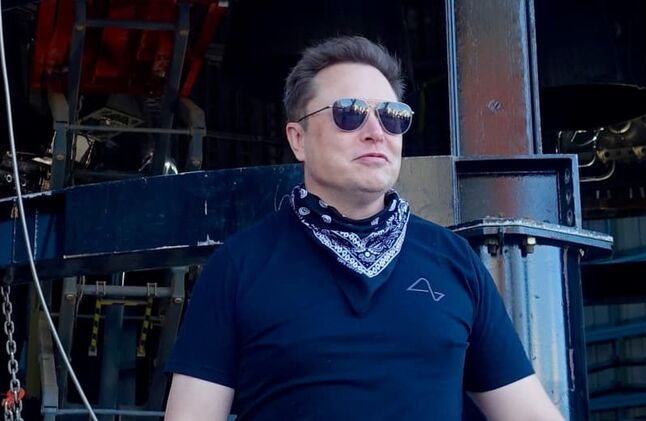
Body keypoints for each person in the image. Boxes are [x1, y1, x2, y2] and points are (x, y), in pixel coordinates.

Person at [164, 35, 565, 420]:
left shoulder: (455, 261)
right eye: (349, 113)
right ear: (298, 139)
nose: (375, 132)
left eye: (392, 117)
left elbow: (528, 413)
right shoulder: (238, 267)